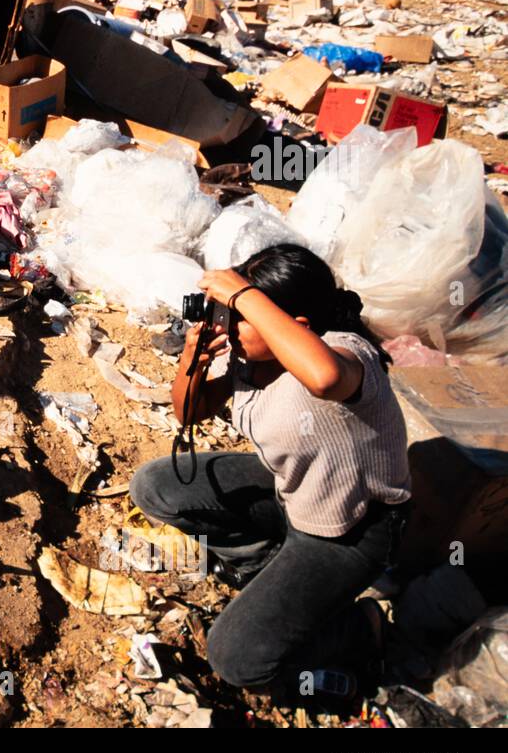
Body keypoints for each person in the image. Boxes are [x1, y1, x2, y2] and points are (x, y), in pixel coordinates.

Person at [130, 243, 411, 694]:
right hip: (290, 491)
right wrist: (192, 362)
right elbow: (188, 413)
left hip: (352, 530)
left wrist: (245, 297)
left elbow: (324, 378)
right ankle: (264, 567)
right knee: (156, 485)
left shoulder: (344, 352)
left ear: (293, 326)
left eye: (242, 316)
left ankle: (361, 627)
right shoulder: (250, 357)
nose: (229, 324)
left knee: (237, 660)